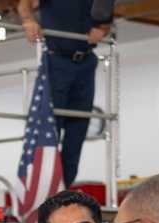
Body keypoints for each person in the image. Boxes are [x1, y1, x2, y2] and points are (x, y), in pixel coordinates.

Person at [17, 0, 112, 188]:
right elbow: (24, 3)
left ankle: (64, 189)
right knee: (50, 128)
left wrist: (103, 29)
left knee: (78, 131)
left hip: (86, 62)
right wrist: (28, 21)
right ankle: (44, 190)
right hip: (57, 60)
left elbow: (106, 15)